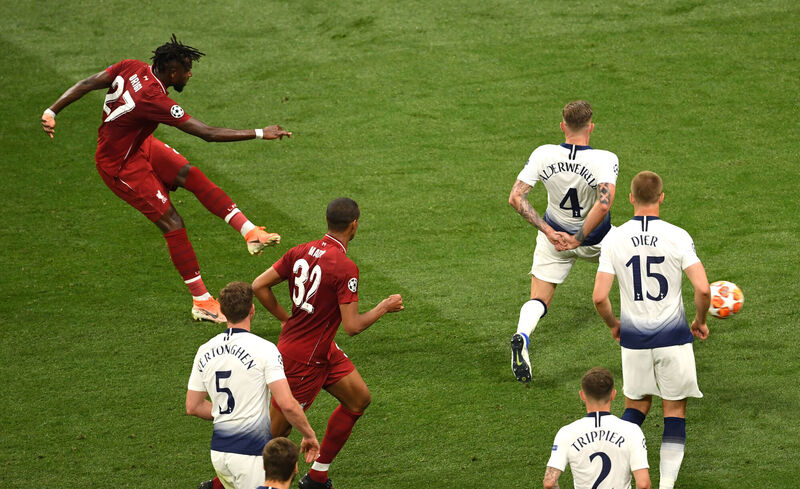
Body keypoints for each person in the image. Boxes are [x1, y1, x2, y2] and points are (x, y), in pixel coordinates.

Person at [41, 35, 290, 323]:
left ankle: (250, 233)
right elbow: (208, 134)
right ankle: (201, 301)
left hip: (139, 144)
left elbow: (87, 83)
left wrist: (51, 110)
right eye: (187, 69)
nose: (190, 74)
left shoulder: (131, 66)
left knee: (190, 175)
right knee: (173, 222)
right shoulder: (154, 99)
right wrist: (260, 132)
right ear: (172, 73)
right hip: (120, 165)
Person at [252, 197, 404, 489]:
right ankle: (222, 483)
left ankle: (317, 476)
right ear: (354, 225)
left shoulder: (299, 251)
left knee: (358, 399)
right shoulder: (344, 267)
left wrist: (285, 319)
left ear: (327, 221)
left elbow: (259, 285)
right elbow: (352, 326)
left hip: (321, 349)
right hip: (303, 360)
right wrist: (384, 306)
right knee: (273, 435)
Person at [592, 171, 710, 489]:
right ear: (661, 197)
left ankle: (612, 479)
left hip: (634, 342)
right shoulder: (678, 236)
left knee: (636, 406)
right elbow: (703, 289)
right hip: (674, 340)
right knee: (674, 410)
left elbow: (599, 297)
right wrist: (699, 321)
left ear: (631, 198)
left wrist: (614, 325)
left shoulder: (614, 239)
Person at [509, 100, 619, 384]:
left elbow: (516, 197)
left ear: (562, 126)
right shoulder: (605, 159)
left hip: (554, 239)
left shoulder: (543, 153)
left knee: (538, 299)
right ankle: (657, 327)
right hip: (597, 241)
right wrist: (578, 238)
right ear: (591, 127)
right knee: (637, 265)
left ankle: (522, 335)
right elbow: (604, 203)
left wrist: (548, 231)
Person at [186, 282, 320, 489]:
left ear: (223, 312)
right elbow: (286, 403)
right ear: (252, 309)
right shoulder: (265, 349)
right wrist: (309, 435)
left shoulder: (205, 350)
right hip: (250, 454)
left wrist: (229, 415)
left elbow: (193, 406)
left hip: (219, 454)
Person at [544, 367, 650, 489]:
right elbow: (643, 484)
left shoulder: (567, 433)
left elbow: (549, 482)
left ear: (582, 395)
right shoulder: (632, 431)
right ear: (613, 394)